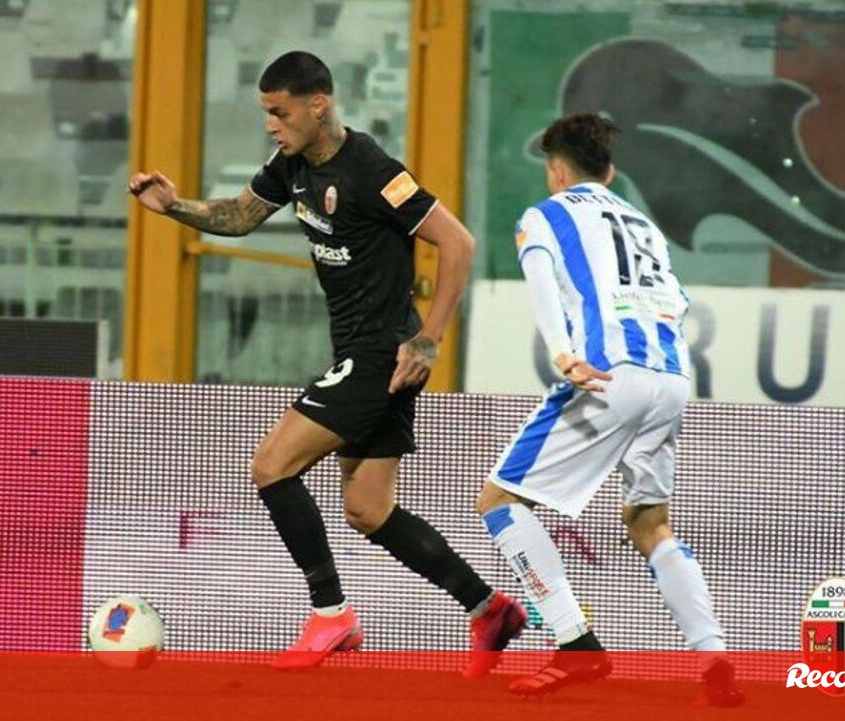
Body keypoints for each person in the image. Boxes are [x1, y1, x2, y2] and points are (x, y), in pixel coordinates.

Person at [129, 51, 525, 673]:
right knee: (368, 508)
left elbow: (458, 242)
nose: (271, 125)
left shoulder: (373, 170)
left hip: (380, 353)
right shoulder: (291, 165)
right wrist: (175, 207)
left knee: (271, 465)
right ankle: (487, 607)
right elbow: (240, 216)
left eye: (280, 112)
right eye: (266, 113)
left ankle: (330, 613)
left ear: (318, 105)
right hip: (364, 353)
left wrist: (429, 338)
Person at [475, 113, 744, 705]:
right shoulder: (644, 225)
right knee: (650, 521)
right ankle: (715, 656)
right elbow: (675, 301)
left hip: (607, 376)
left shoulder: (546, 214)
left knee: (500, 501)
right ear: (611, 171)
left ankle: (576, 644)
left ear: (556, 170)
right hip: (671, 378)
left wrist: (562, 352)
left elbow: (541, 281)